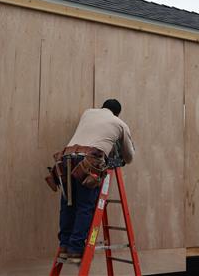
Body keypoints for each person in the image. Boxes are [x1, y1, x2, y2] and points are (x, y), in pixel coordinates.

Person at [50, 99, 135, 263]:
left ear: (102, 107)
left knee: (68, 204)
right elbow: (129, 157)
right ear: (117, 113)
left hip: (66, 158)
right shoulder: (119, 123)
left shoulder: (87, 113)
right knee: (85, 206)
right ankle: (75, 249)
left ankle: (64, 247)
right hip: (89, 162)